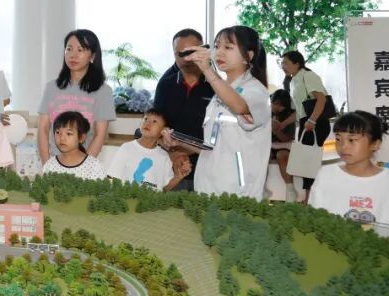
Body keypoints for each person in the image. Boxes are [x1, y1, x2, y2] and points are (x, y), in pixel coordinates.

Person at [187, 26, 272, 200]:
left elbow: (240, 106)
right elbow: (213, 147)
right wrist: (180, 143)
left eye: (228, 47)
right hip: (206, 186)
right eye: (217, 46)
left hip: (238, 193)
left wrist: (207, 70)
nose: (219, 52)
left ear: (248, 56)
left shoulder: (257, 91)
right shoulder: (219, 94)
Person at [309, 111, 389, 237]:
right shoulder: (326, 175)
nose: (343, 146)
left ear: (375, 144)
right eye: (338, 139)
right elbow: (314, 220)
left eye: (352, 140)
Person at [37, 29, 115, 162]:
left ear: (92, 56)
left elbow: (99, 135)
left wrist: (83, 167)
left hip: (85, 165)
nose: (73, 55)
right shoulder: (51, 87)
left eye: (80, 50)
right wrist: (47, 164)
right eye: (69, 49)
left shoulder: (104, 91)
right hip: (53, 164)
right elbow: (43, 129)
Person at [155, 28, 215, 190]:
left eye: (191, 52)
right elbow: (157, 123)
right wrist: (173, 153)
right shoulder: (166, 84)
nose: (186, 58)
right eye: (180, 53)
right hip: (171, 167)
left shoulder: (216, 86)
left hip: (207, 168)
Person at [279, 50, 331, 199]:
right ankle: (309, 196)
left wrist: (312, 120)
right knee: (306, 162)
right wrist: (283, 124)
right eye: (282, 64)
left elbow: (321, 99)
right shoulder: (293, 81)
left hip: (316, 122)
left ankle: (310, 198)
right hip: (306, 122)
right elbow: (299, 110)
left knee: (309, 162)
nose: (283, 66)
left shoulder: (308, 76)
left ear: (297, 63)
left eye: (286, 63)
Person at [106, 108, 189, 190]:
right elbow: (112, 178)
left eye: (154, 121)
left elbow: (164, 188)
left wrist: (178, 177)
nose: (148, 123)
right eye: (146, 119)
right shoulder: (126, 148)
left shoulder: (164, 157)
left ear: (164, 130)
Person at [42, 111, 107, 180]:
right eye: (58, 132)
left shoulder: (94, 166)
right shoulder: (50, 164)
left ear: (81, 138)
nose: (62, 138)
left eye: (69, 133)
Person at [270, 89, 295, 187]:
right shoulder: (265, 112)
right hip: (267, 146)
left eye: (281, 105)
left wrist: (276, 130)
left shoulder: (289, 116)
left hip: (283, 146)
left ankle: (290, 188)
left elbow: (286, 139)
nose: (277, 107)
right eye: (275, 103)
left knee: (282, 155)